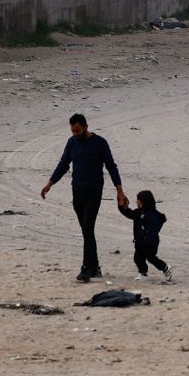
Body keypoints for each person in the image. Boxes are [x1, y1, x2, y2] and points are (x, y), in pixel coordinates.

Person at [41, 114, 127, 282]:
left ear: (86, 126)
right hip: (77, 191)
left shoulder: (100, 143)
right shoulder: (72, 142)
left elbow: (111, 167)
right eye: (73, 131)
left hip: (94, 192)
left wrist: (120, 192)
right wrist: (50, 183)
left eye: (78, 131)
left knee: (87, 229)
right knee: (87, 231)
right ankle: (94, 267)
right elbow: (64, 164)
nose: (75, 134)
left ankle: (86, 268)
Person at [118, 189, 171, 282]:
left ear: (143, 201)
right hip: (139, 241)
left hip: (151, 242)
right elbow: (129, 213)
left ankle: (165, 268)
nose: (136, 202)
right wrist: (122, 206)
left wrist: (147, 237)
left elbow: (154, 227)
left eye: (137, 200)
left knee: (151, 258)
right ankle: (143, 274)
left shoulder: (153, 214)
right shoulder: (138, 212)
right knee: (138, 258)